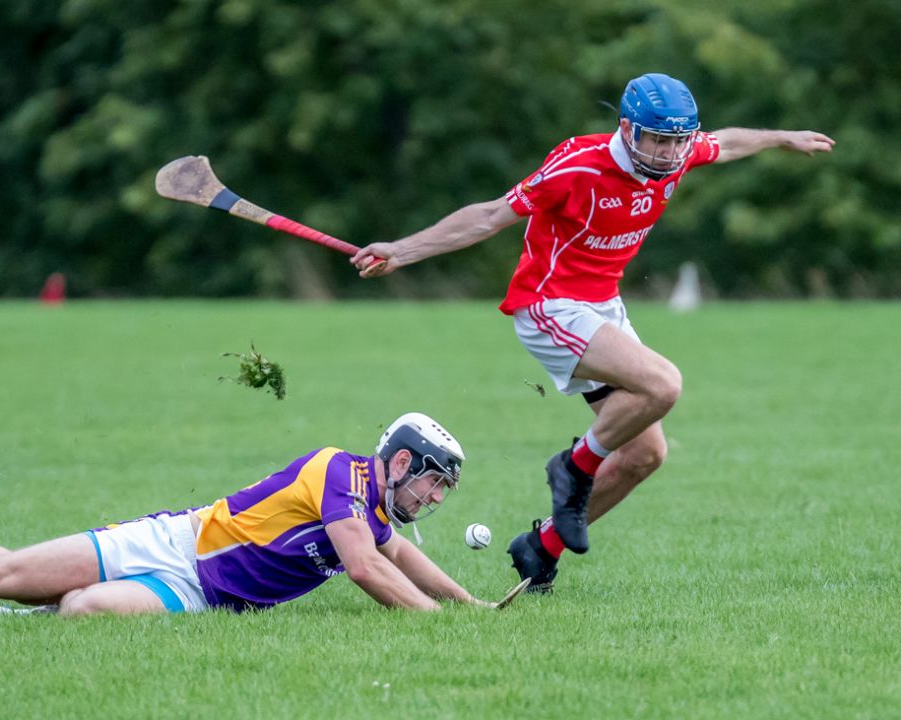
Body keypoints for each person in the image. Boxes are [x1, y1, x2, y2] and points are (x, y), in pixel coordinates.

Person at [350, 72, 835, 593]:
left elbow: (729, 141)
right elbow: (490, 216)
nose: (673, 155)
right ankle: (573, 468)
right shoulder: (577, 165)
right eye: (660, 141)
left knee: (647, 453)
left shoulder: (676, 153)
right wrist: (402, 250)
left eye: (681, 142)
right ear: (627, 129)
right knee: (663, 384)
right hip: (548, 304)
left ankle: (540, 548)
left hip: (602, 308)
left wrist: (783, 138)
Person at [0, 412, 499, 615]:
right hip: (175, 546)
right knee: (3, 579)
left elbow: (400, 555)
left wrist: (468, 605)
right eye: (432, 482)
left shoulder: (374, 515)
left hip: (204, 596)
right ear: (397, 463)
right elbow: (368, 569)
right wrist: (435, 619)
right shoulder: (337, 471)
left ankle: (35, 611)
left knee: (84, 609)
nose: (436, 498)